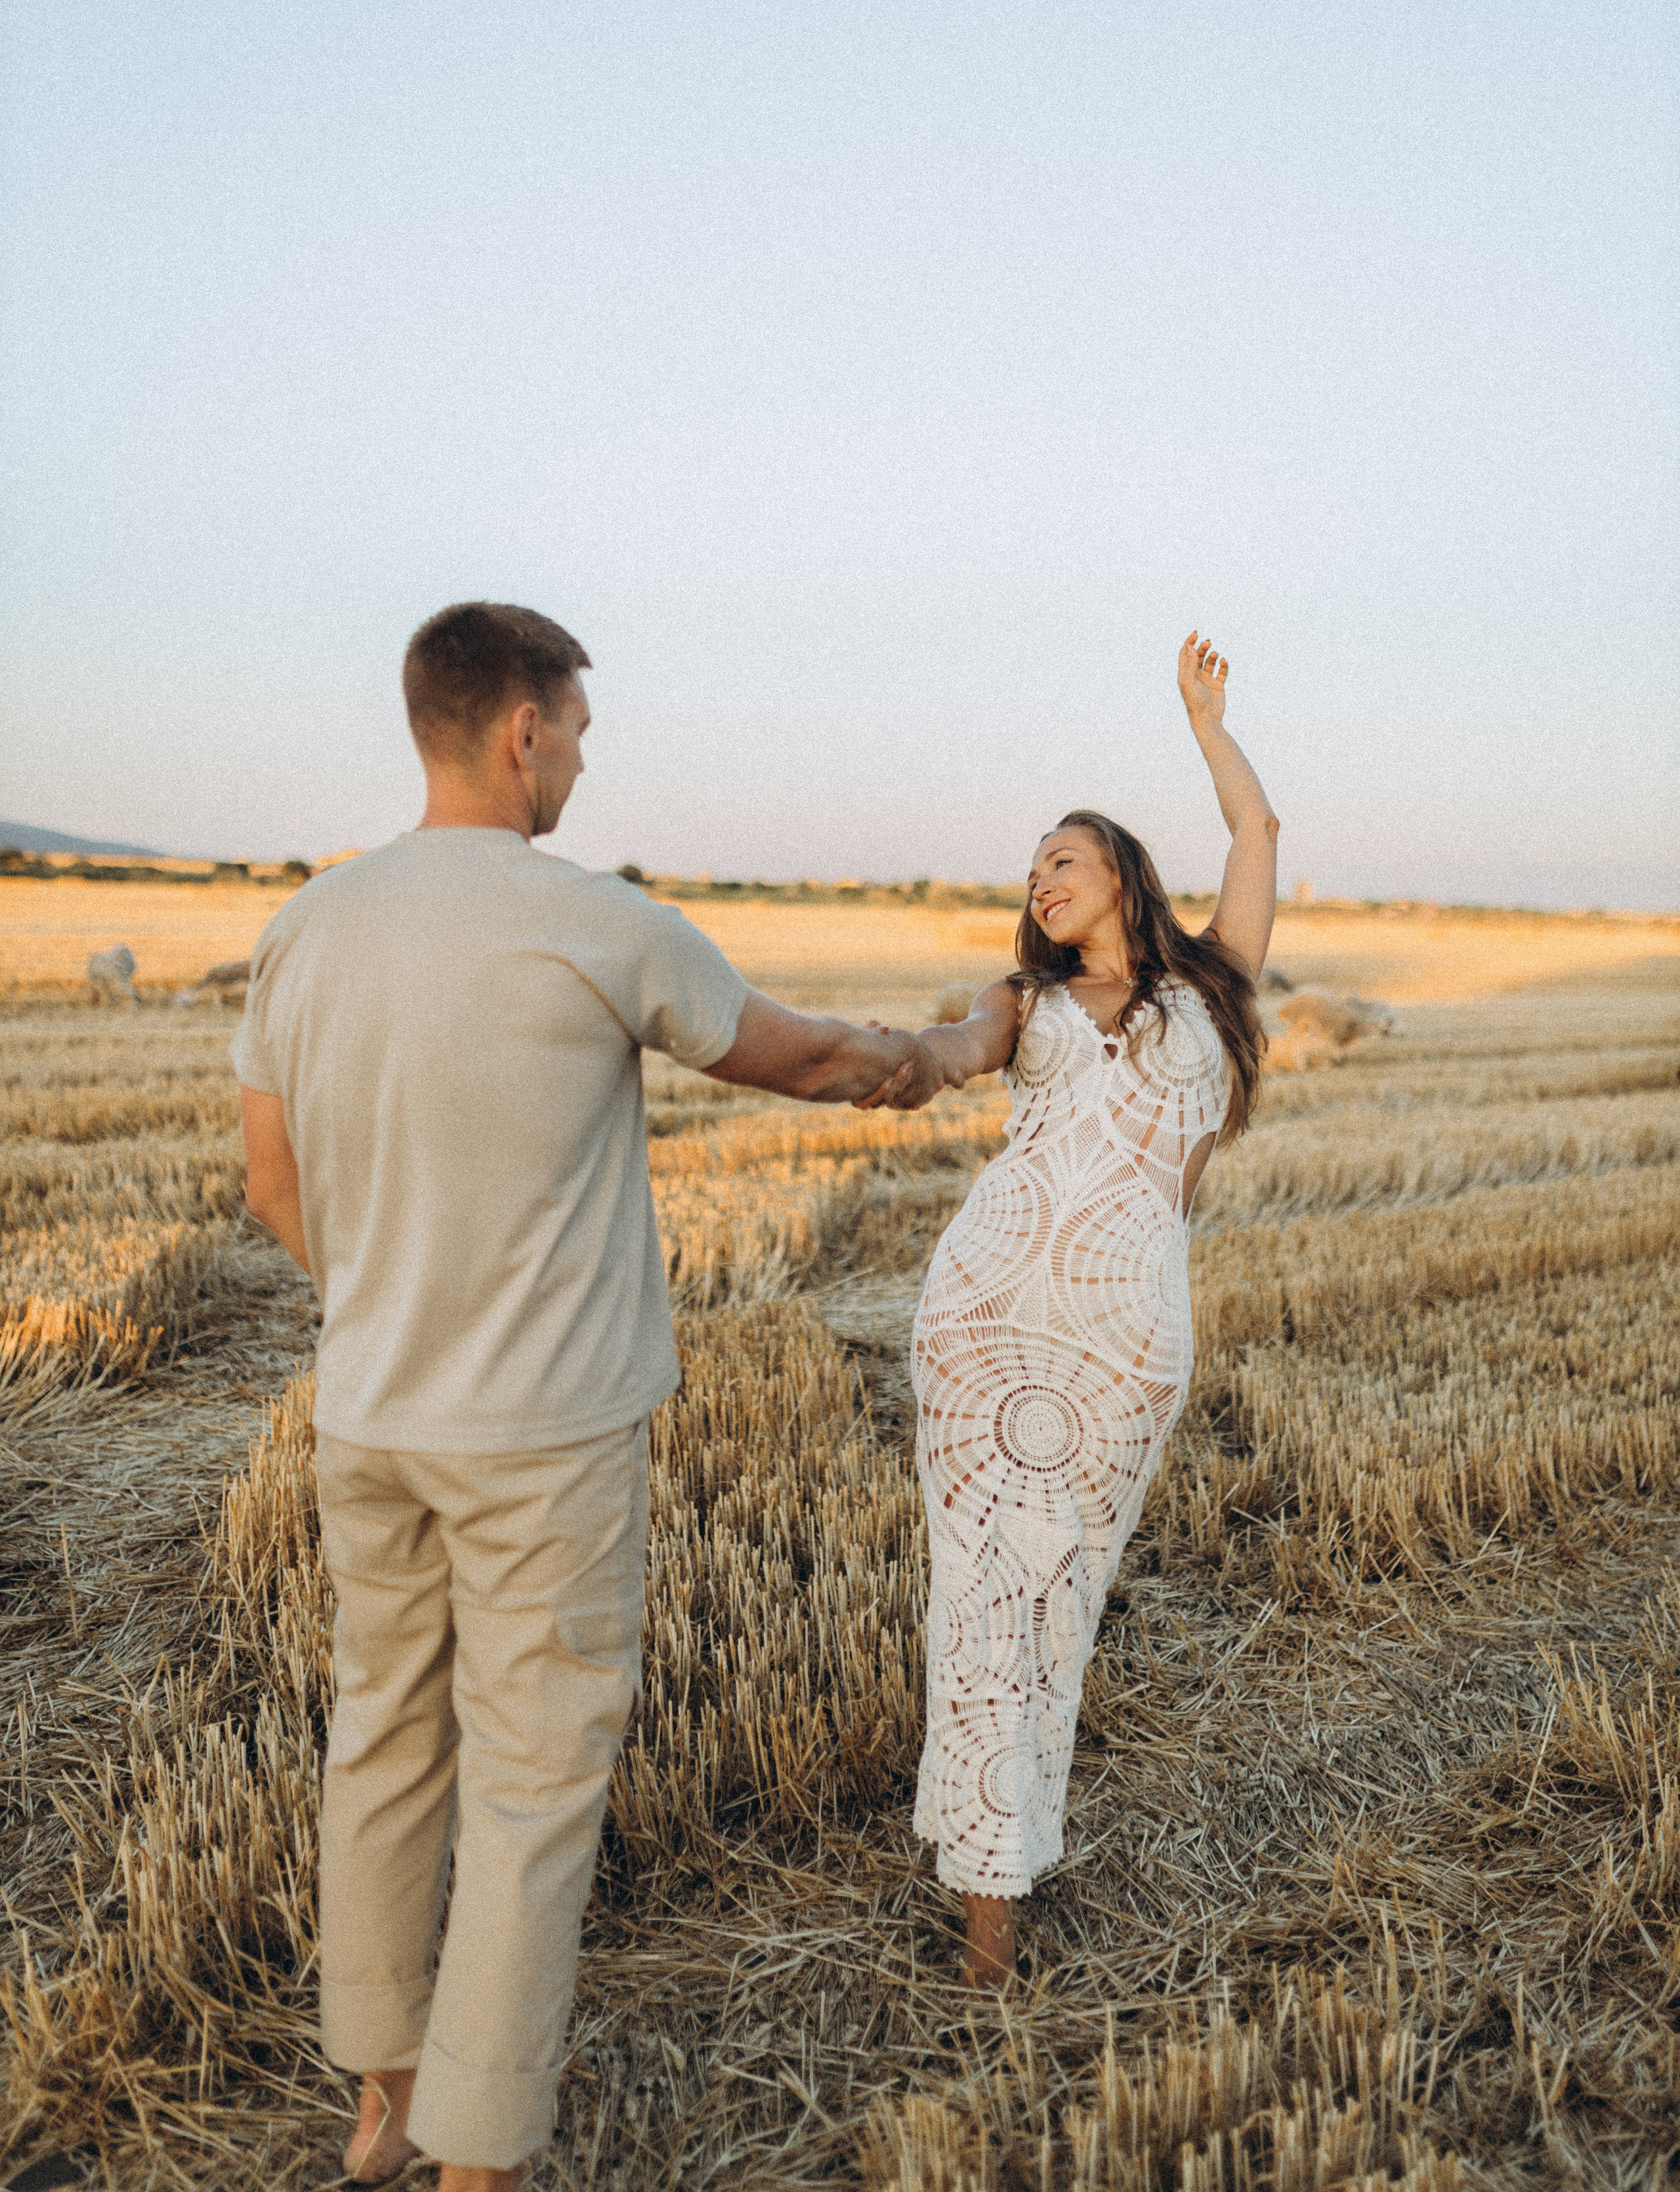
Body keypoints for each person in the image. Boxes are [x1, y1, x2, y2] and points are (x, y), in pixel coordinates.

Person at [235, 602, 933, 2192]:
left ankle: (382, 2103)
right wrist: (935, 1050)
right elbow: (804, 1060)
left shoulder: (307, 927)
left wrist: (386, 1306)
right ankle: (481, 2157)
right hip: (542, 1436)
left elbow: (272, 1185)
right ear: (518, 731)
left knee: (383, 1744)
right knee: (540, 1782)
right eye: (578, 731)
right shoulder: (593, 920)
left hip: (369, 1417)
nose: (581, 761)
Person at [881, 633, 1277, 1986]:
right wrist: (907, 1060)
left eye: (1060, 856)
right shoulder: (1022, 1003)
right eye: (1028, 869)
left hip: (1124, 1336)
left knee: (1056, 1595)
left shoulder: (1208, 988)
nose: (1038, 879)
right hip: (986, 1313)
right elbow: (954, 1048)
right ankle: (989, 1928)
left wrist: (1202, 723)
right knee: (979, 1599)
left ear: (1118, 873)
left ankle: (980, 1842)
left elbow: (1257, 825)